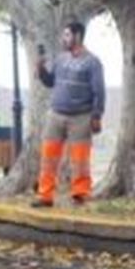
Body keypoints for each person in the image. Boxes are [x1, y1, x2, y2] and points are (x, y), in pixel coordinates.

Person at [31, 20, 106, 208]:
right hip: (56, 115)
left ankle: (80, 194)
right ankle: (45, 195)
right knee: (48, 156)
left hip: (81, 116)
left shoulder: (92, 62)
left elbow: (99, 90)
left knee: (80, 158)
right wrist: (40, 69)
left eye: (67, 35)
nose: (63, 39)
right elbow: (50, 82)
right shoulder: (60, 59)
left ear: (77, 36)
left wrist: (97, 115)